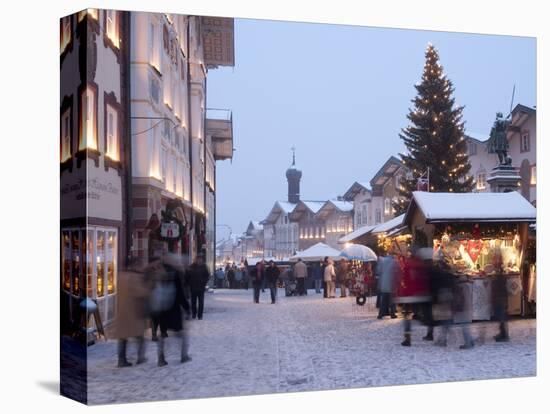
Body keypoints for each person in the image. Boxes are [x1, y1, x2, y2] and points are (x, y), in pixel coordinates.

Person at [147, 253, 191, 367]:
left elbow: (150, 288)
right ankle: (183, 355)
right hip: (173, 308)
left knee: (163, 334)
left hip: (161, 309)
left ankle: (161, 358)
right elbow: (180, 293)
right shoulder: (174, 273)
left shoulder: (158, 272)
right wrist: (187, 308)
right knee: (180, 334)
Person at [113, 261, 151, 367]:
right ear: (135, 266)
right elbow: (141, 292)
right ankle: (140, 357)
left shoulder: (120, 276)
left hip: (122, 312)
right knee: (140, 336)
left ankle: (121, 360)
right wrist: (149, 288)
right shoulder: (134, 278)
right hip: (134, 312)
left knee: (123, 338)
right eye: (140, 265)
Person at [185, 255, 210, 320]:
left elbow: (207, 276)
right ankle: (194, 314)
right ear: (195, 260)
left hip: (201, 287)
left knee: (201, 302)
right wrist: (189, 283)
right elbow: (187, 276)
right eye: (197, 259)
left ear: (202, 260)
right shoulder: (191, 267)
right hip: (193, 287)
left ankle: (200, 315)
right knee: (193, 302)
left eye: (200, 259)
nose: (199, 260)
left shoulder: (204, 267)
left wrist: (204, 282)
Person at [377, 255, 398, 319]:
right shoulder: (394, 261)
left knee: (383, 300)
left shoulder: (382, 261)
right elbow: (396, 271)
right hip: (391, 283)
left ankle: (380, 314)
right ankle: (392, 314)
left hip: (384, 283)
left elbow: (378, 271)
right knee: (392, 300)